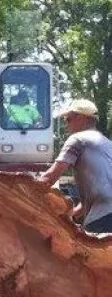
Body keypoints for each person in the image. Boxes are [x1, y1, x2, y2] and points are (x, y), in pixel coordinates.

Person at [37, 98, 112, 233]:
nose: (66, 125)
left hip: (102, 219)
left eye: (68, 119)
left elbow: (50, 177)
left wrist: (21, 195)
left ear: (81, 118)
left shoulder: (78, 139)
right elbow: (86, 204)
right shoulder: (107, 144)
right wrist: (66, 217)